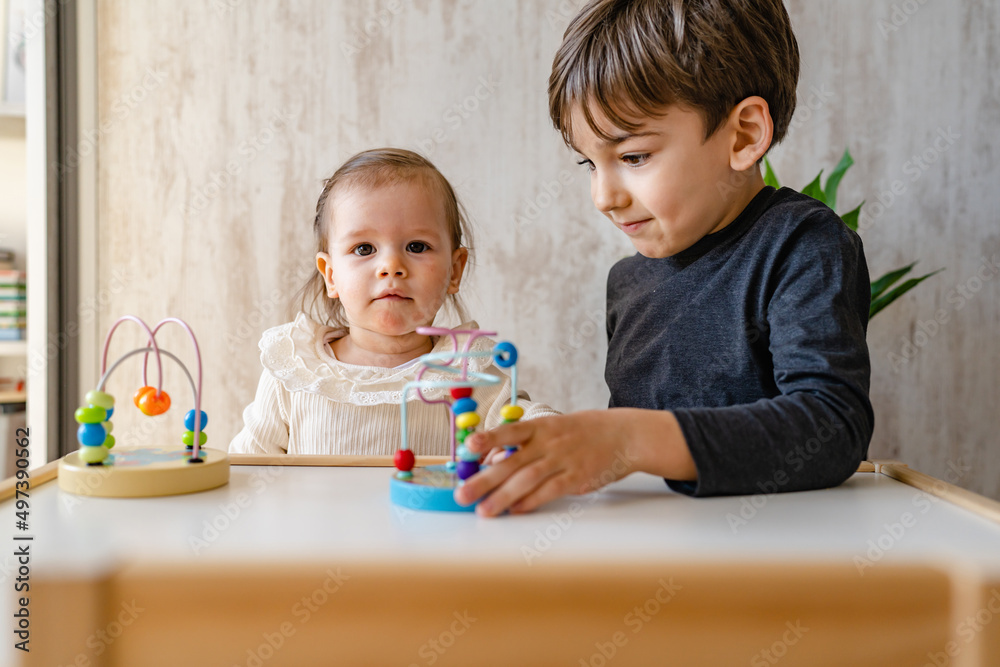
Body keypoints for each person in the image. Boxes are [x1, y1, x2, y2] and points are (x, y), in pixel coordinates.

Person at [457, 0, 873, 516]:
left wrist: (628, 439)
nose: (603, 196)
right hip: (643, 561)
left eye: (633, 157)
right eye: (591, 163)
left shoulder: (802, 245)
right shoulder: (627, 282)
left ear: (743, 135)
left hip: (766, 568)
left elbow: (830, 426)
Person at [229, 148, 558, 456]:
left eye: (416, 247)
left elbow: (535, 427)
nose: (391, 266)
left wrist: (548, 432)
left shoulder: (463, 372)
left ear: (454, 271)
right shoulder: (295, 370)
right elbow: (247, 466)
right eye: (364, 249)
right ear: (331, 275)